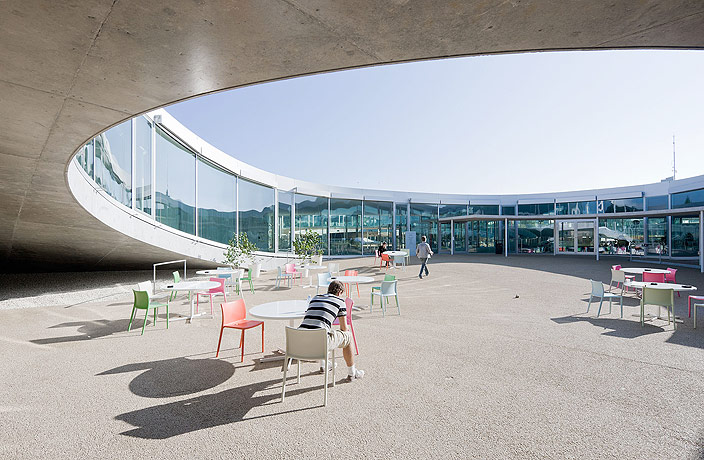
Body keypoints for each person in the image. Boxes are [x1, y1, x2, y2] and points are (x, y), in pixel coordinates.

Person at [299, 280, 365, 381]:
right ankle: (352, 373)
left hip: (300, 343)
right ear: (340, 293)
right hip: (319, 343)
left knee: (319, 329)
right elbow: (344, 329)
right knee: (348, 336)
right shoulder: (340, 301)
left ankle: (324, 365)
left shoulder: (315, 298)